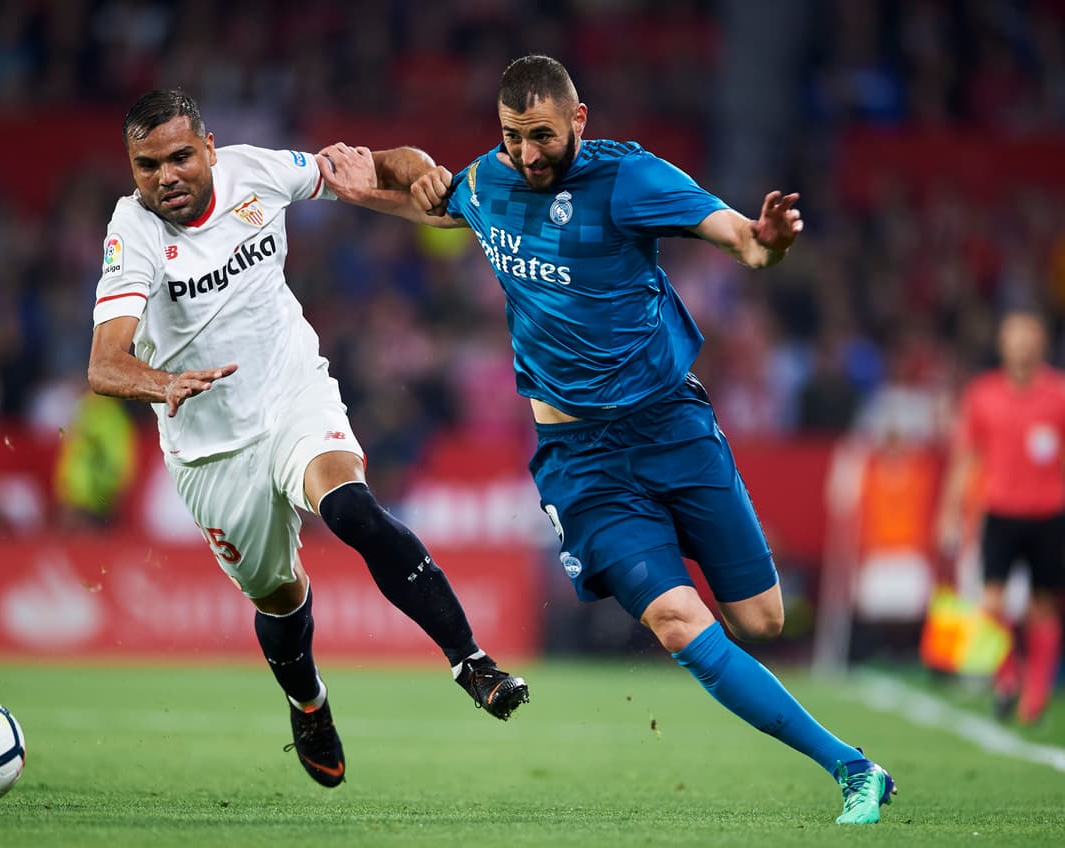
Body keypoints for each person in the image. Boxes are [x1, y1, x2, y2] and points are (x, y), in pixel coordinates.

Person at [318, 55, 895, 824]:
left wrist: (767, 242)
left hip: (672, 428)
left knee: (761, 621)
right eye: (514, 137)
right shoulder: (491, 180)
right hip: (582, 464)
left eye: (543, 137)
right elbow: (441, 205)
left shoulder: (629, 179)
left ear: (579, 121)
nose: (528, 154)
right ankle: (853, 768)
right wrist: (374, 191)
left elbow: (741, 239)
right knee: (679, 622)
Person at [86, 90, 529, 788]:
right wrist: (159, 383)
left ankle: (472, 663)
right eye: (147, 165)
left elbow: (381, 167)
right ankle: (307, 701)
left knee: (351, 508)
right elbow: (104, 364)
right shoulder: (133, 233)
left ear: (207, 146)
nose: (165, 176)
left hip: (293, 395)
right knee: (280, 598)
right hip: (210, 448)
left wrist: (422, 175)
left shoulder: (257, 172)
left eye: (178, 157)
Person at [936, 309, 1065, 725]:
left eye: (1030, 335)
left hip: (1050, 513)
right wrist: (949, 513)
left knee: (1042, 606)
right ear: (1002, 344)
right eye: (1015, 336)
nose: (1023, 344)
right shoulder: (983, 394)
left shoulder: (1059, 394)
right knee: (990, 602)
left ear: (1042, 343)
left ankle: (1038, 691)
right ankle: (1010, 673)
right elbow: (964, 458)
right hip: (1000, 512)